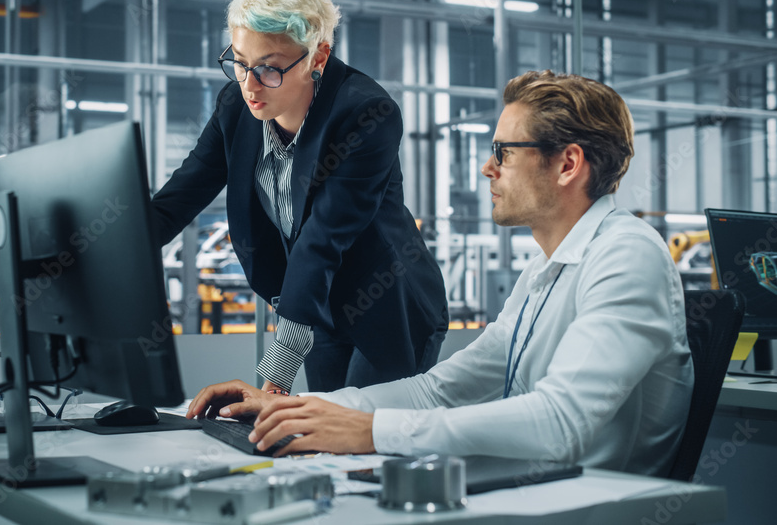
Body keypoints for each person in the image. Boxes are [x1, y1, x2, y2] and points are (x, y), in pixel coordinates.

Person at [187, 71, 695, 477]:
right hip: (530, 493)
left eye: (503, 152)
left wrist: (372, 432)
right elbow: (440, 390)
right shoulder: (547, 267)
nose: (486, 170)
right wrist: (300, 407)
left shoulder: (627, 257)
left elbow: (561, 422)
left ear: (567, 164)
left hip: (591, 507)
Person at [151, 0, 448, 393]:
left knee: (366, 443)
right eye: (239, 61)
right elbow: (179, 198)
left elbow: (322, 238)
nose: (250, 85)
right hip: (316, 308)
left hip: (389, 308)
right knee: (325, 446)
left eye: (270, 70)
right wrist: (93, 255)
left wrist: (276, 374)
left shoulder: (365, 114)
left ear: (318, 57)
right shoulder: (237, 107)